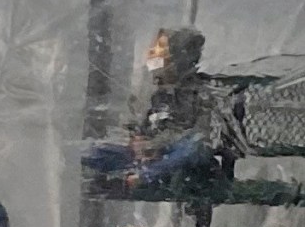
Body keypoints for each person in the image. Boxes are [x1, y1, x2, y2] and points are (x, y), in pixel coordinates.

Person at [83, 28, 219, 191]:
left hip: (176, 157)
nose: (152, 55)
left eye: (160, 51)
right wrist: (137, 141)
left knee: (195, 147)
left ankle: (141, 178)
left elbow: (203, 133)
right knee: (91, 151)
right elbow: (134, 122)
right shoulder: (149, 89)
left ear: (178, 58)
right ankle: (133, 176)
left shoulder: (200, 92)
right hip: (146, 155)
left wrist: (157, 145)